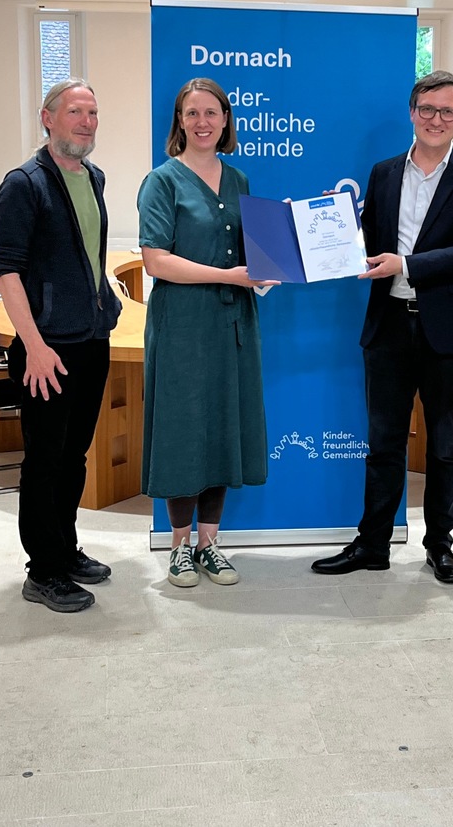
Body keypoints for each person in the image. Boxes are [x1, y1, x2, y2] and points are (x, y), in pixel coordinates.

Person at [312, 70, 453, 582]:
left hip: (447, 330)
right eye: (427, 109)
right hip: (389, 326)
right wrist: (331, 223)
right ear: (412, 112)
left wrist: (408, 265)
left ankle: (440, 546)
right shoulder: (384, 173)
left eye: (447, 111)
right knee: (383, 444)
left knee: (444, 445)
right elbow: (369, 239)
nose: (436, 119)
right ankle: (373, 545)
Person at [137, 78, 275, 587]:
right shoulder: (162, 181)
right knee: (183, 428)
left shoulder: (238, 179)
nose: (202, 122)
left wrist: (276, 261)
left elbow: (253, 254)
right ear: (180, 121)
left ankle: (209, 544)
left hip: (234, 321)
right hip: (182, 325)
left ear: (225, 120)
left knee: (222, 425)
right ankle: (178, 547)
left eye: (211, 113)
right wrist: (229, 276)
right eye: (192, 113)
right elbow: (156, 261)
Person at [0, 78, 121, 613]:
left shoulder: (94, 177)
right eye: (75, 112)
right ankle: (42, 570)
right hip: (46, 349)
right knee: (45, 460)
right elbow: (7, 270)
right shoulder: (23, 184)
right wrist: (35, 344)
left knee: (74, 456)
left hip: (91, 338)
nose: (86, 122)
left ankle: (65, 550)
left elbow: (87, 255)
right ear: (48, 118)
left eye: (92, 113)